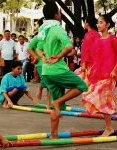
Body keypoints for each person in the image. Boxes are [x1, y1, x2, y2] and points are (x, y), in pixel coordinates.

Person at [37, 0, 87, 139]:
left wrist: (44, 57)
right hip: (57, 70)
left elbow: (39, 48)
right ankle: (58, 102)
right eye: (59, 11)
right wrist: (58, 57)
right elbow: (69, 46)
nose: (60, 13)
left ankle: (54, 135)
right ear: (56, 15)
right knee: (82, 85)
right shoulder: (57, 29)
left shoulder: (43, 29)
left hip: (46, 72)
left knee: (56, 108)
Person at [81, 14, 117, 137]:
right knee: (95, 96)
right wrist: (89, 67)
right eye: (98, 22)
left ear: (107, 25)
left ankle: (109, 128)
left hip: (109, 75)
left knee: (99, 98)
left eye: (101, 22)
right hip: (99, 74)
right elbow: (95, 58)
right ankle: (109, 122)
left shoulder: (112, 39)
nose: (98, 25)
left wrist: (114, 70)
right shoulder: (97, 40)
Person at [28, 17, 51, 109]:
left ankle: (41, 88)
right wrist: (35, 57)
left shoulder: (49, 36)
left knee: (50, 82)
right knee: (49, 82)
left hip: (49, 62)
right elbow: (29, 48)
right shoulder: (38, 37)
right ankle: (49, 105)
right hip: (41, 63)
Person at [75, 15, 101, 82]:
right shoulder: (97, 35)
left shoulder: (88, 35)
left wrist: (83, 64)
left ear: (87, 24)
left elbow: (88, 50)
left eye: (84, 22)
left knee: (82, 84)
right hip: (96, 63)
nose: (84, 23)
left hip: (88, 64)